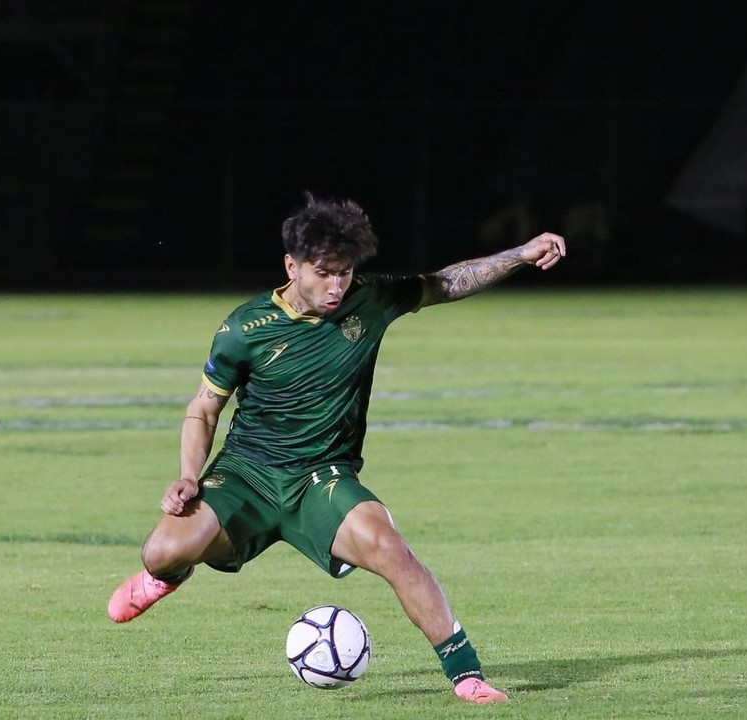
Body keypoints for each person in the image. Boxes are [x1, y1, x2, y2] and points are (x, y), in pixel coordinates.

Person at [108, 192, 567, 704]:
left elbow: (445, 282)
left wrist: (519, 255)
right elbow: (203, 409)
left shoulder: (368, 299)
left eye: (345, 272)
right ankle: (167, 576)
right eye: (324, 273)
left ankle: (467, 675)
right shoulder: (243, 328)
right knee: (161, 552)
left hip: (321, 480)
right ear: (292, 265)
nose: (336, 285)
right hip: (248, 474)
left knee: (393, 550)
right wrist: (189, 475)